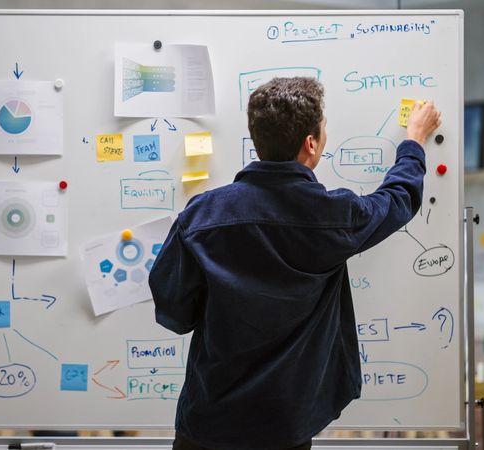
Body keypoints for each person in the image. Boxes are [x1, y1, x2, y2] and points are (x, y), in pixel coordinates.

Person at [148, 77, 442, 450]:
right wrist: (413, 141)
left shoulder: (202, 216)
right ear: (311, 143)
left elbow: (174, 314)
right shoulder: (336, 215)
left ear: (257, 139)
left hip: (207, 424)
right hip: (286, 428)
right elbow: (399, 199)